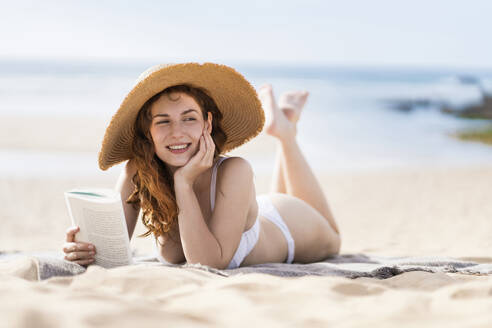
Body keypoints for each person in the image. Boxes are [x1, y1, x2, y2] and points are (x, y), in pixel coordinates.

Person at [62, 63, 341, 270]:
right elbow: (110, 251)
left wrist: (183, 184)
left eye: (189, 118)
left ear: (207, 124)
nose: (177, 132)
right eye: (163, 121)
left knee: (335, 238)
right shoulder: (139, 172)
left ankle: (286, 134)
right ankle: (285, 126)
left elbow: (207, 264)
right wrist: (81, 250)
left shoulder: (236, 170)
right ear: (148, 132)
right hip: (239, 206)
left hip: (287, 224)